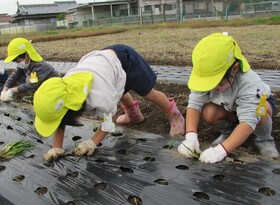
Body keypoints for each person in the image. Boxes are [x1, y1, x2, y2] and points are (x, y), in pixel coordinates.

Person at [33, 44, 185, 162]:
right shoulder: (65, 93)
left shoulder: (99, 98)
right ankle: (134, 116)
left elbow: (108, 121)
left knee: (149, 94)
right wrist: (56, 148)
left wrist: (93, 142)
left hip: (126, 60)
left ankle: (175, 116)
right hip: (104, 66)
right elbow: (60, 118)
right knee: (119, 92)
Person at [177, 33, 280, 163]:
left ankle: (264, 140)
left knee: (261, 110)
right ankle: (229, 133)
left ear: (235, 69)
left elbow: (248, 120)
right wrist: (190, 137)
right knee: (209, 113)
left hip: (255, 108)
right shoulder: (205, 72)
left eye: (217, 82)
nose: (213, 87)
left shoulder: (248, 82)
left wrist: (221, 151)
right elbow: (194, 105)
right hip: (228, 107)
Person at [0, 38, 59, 102]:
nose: (17, 63)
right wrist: (4, 90)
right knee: (21, 77)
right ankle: (35, 96)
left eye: (17, 60)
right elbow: (14, 76)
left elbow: (32, 84)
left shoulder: (40, 66)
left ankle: (39, 99)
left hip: (53, 93)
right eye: (14, 61)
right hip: (40, 89)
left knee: (29, 83)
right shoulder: (25, 65)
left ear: (27, 55)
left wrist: (11, 91)